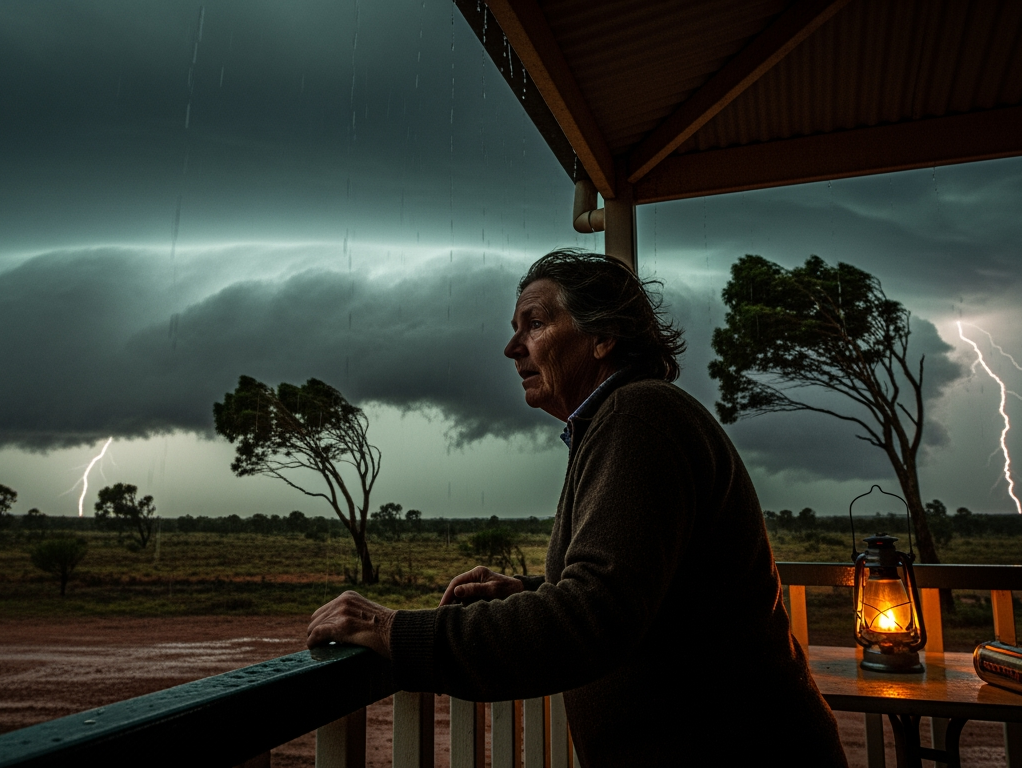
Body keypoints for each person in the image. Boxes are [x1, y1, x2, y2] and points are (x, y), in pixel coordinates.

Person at [307, 250, 848, 766]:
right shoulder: (624, 418)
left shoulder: (638, 416)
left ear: (603, 336)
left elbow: (592, 620)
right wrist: (530, 591)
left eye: (535, 324)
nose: (512, 347)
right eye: (515, 328)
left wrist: (391, 629)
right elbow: (642, 595)